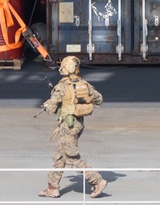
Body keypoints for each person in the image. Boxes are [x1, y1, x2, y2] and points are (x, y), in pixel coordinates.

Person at [38, 56, 108, 199]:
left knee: (72, 158)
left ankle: (97, 180)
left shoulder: (61, 86)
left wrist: (46, 105)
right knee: (60, 156)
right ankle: (52, 188)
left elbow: (51, 108)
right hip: (78, 124)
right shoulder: (85, 84)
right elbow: (99, 99)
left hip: (68, 126)